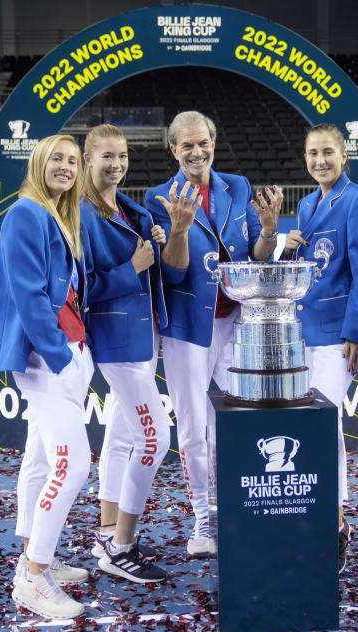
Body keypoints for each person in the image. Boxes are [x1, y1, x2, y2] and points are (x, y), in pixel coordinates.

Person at [145, 110, 283, 557]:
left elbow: (257, 256)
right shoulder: (157, 198)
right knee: (192, 427)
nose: (196, 151)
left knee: (240, 419)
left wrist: (267, 231)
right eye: (186, 145)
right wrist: (180, 230)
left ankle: (238, 508)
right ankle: (203, 521)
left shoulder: (237, 187)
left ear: (213, 143)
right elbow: (172, 269)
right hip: (188, 326)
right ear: (173, 150)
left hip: (236, 321)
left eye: (202, 142)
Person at [0, 134, 91, 619]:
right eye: (58, 159)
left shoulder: (53, 213)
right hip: (50, 360)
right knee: (73, 467)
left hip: (64, 354)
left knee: (40, 463)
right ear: (39, 162)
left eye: (72, 161)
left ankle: (34, 557)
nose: (66, 167)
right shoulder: (27, 212)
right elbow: (29, 296)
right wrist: (60, 358)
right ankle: (33, 575)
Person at [280, 123, 358, 574]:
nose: (320, 160)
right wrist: (288, 248)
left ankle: (335, 525)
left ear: (344, 156)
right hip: (305, 330)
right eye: (312, 153)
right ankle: (325, 516)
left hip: (338, 334)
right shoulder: (305, 204)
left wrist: (356, 333)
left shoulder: (356, 200)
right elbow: (309, 269)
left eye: (328, 153)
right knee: (320, 426)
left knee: (323, 425)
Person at [79, 124, 170, 583]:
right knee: (156, 441)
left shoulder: (126, 207)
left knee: (119, 439)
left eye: (123, 155)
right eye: (107, 157)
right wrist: (132, 267)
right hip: (117, 342)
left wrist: (153, 236)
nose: (116, 164)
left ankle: (106, 532)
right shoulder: (81, 214)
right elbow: (85, 288)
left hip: (142, 336)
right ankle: (122, 546)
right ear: (87, 159)